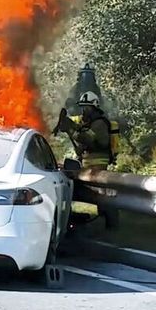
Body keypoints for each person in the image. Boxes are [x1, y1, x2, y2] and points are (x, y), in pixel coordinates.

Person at [56, 91, 119, 229]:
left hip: (98, 164)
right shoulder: (90, 123)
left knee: (100, 195)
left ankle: (111, 222)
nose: (84, 110)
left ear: (94, 107)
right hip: (89, 165)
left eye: (87, 108)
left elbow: (90, 139)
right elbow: (83, 134)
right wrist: (68, 124)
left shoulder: (99, 124)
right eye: (83, 107)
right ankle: (107, 220)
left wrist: (72, 131)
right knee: (96, 194)